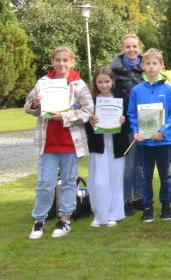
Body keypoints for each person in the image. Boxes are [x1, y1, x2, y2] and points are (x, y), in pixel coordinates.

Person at [26, 46, 94, 239]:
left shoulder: (78, 84)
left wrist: (64, 117)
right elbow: (27, 106)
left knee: (68, 182)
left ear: (72, 62)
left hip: (70, 143)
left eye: (66, 60)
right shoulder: (43, 82)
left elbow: (88, 111)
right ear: (52, 61)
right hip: (48, 143)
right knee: (45, 183)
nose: (62, 63)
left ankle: (65, 219)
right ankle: (39, 221)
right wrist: (35, 104)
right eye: (58, 60)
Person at [127, 48, 171, 222]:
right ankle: (148, 208)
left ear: (161, 66)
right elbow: (132, 114)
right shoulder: (136, 90)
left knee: (165, 176)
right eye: (148, 63)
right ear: (143, 66)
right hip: (145, 143)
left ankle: (166, 207)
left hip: (163, 142)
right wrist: (136, 132)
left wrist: (162, 132)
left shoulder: (169, 90)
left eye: (154, 63)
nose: (151, 67)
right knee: (146, 177)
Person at [85, 66, 128, 228]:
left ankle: (114, 214)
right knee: (98, 181)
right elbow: (85, 125)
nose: (103, 85)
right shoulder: (91, 101)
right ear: (95, 83)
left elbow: (129, 124)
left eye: (107, 81)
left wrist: (124, 122)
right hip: (98, 146)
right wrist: (91, 121)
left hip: (117, 146)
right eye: (100, 82)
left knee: (115, 180)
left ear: (113, 81)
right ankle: (99, 214)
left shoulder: (122, 98)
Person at [110, 33, 144, 216]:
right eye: (128, 47)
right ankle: (126, 200)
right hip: (125, 123)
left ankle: (139, 197)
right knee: (129, 164)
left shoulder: (146, 67)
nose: (131, 50)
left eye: (134, 46)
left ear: (139, 48)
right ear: (122, 49)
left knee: (140, 163)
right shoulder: (113, 70)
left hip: (145, 121)